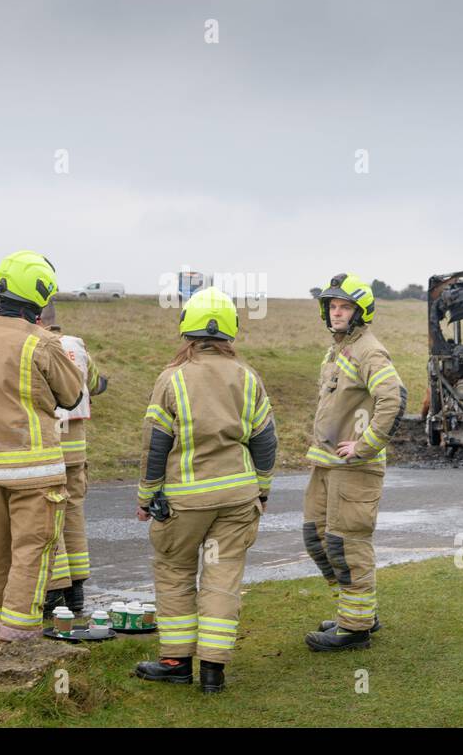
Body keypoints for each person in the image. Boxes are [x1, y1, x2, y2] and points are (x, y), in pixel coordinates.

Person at [134, 287, 276, 694]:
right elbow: (266, 442)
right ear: (230, 332)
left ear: (187, 332)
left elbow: (156, 444)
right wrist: (261, 491)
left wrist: (147, 496)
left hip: (186, 500)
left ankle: (176, 662)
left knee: (175, 571)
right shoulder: (248, 378)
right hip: (237, 498)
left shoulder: (172, 379)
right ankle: (213, 671)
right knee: (223, 576)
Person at [0, 251, 84, 651]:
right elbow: (72, 395)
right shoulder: (40, 341)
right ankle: (17, 646)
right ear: (37, 297)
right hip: (34, 471)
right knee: (31, 556)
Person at [301, 274, 406, 652]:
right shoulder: (339, 348)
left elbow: (392, 399)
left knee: (347, 544)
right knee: (317, 538)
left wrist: (365, 445)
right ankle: (356, 609)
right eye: (332, 306)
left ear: (360, 312)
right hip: (326, 465)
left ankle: (356, 628)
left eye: (344, 307)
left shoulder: (368, 350)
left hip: (354, 469)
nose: (337, 312)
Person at [38, 301, 108, 616]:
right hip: (76, 448)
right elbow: (95, 384)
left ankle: (58, 592)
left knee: (52, 516)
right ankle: (77, 592)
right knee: (74, 514)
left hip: (49, 445)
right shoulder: (77, 346)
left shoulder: (36, 346)